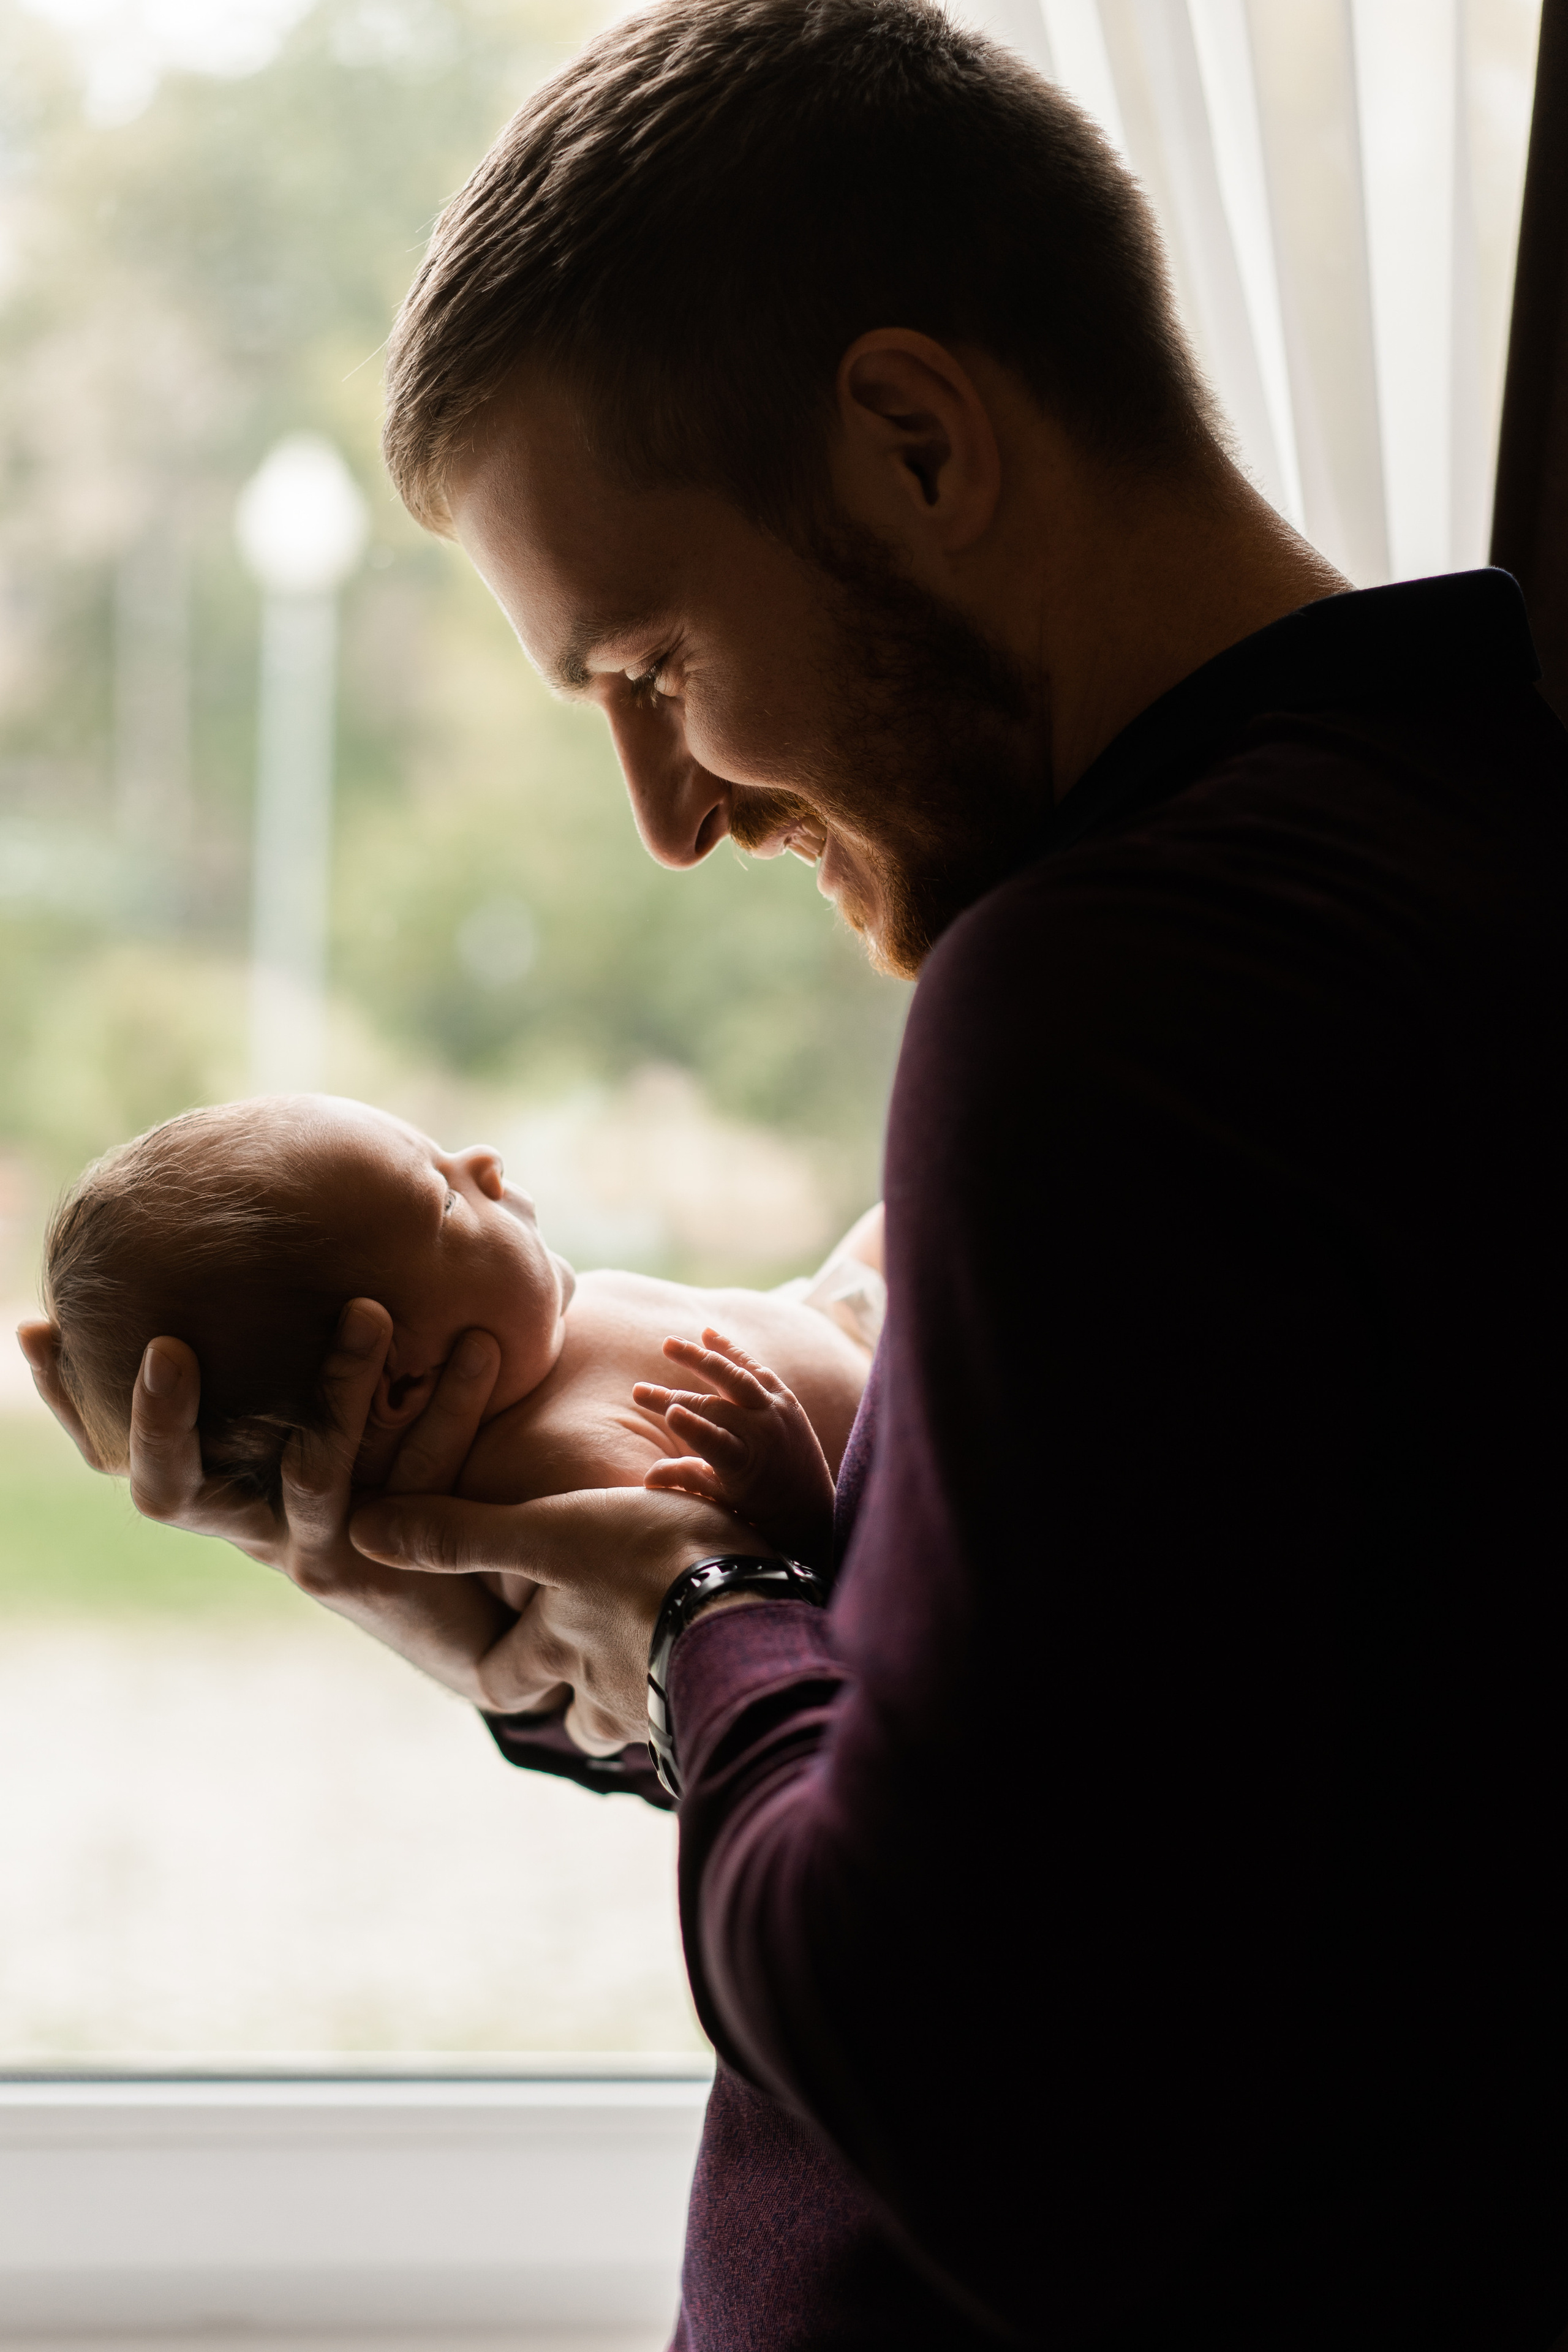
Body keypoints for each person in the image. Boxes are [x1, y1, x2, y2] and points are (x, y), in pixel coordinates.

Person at [21, 0, 1568, 2343]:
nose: (668, 816)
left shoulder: (1119, 998)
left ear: (917, 440)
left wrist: (683, 1606)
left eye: (650, 662)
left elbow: (983, 2087)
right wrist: (577, 1667)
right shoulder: (1462, 861)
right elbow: (1164, 1865)